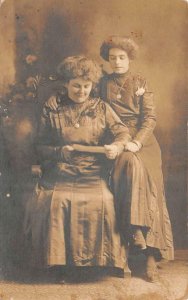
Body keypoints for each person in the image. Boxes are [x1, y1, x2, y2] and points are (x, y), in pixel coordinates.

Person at [45, 36, 174, 282]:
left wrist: (136, 141)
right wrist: (55, 96)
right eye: (112, 57)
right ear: (107, 59)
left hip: (142, 142)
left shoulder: (140, 82)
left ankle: (149, 254)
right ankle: (128, 243)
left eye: (122, 57)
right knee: (125, 173)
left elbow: (150, 119)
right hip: (113, 141)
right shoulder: (101, 83)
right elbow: (76, 89)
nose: (117, 62)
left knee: (149, 188)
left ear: (130, 58)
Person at [23, 55, 131, 282]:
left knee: (105, 202)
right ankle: (60, 265)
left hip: (93, 172)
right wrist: (57, 153)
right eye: (76, 86)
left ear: (92, 86)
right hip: (60, 171)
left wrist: (117, 146)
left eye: (86, 86)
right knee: (55, 200)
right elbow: (39, 145)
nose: (81, 91)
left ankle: (94, 265)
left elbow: (122, 132)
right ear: (66, 84)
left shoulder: (101, 107)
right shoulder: (52, 108)